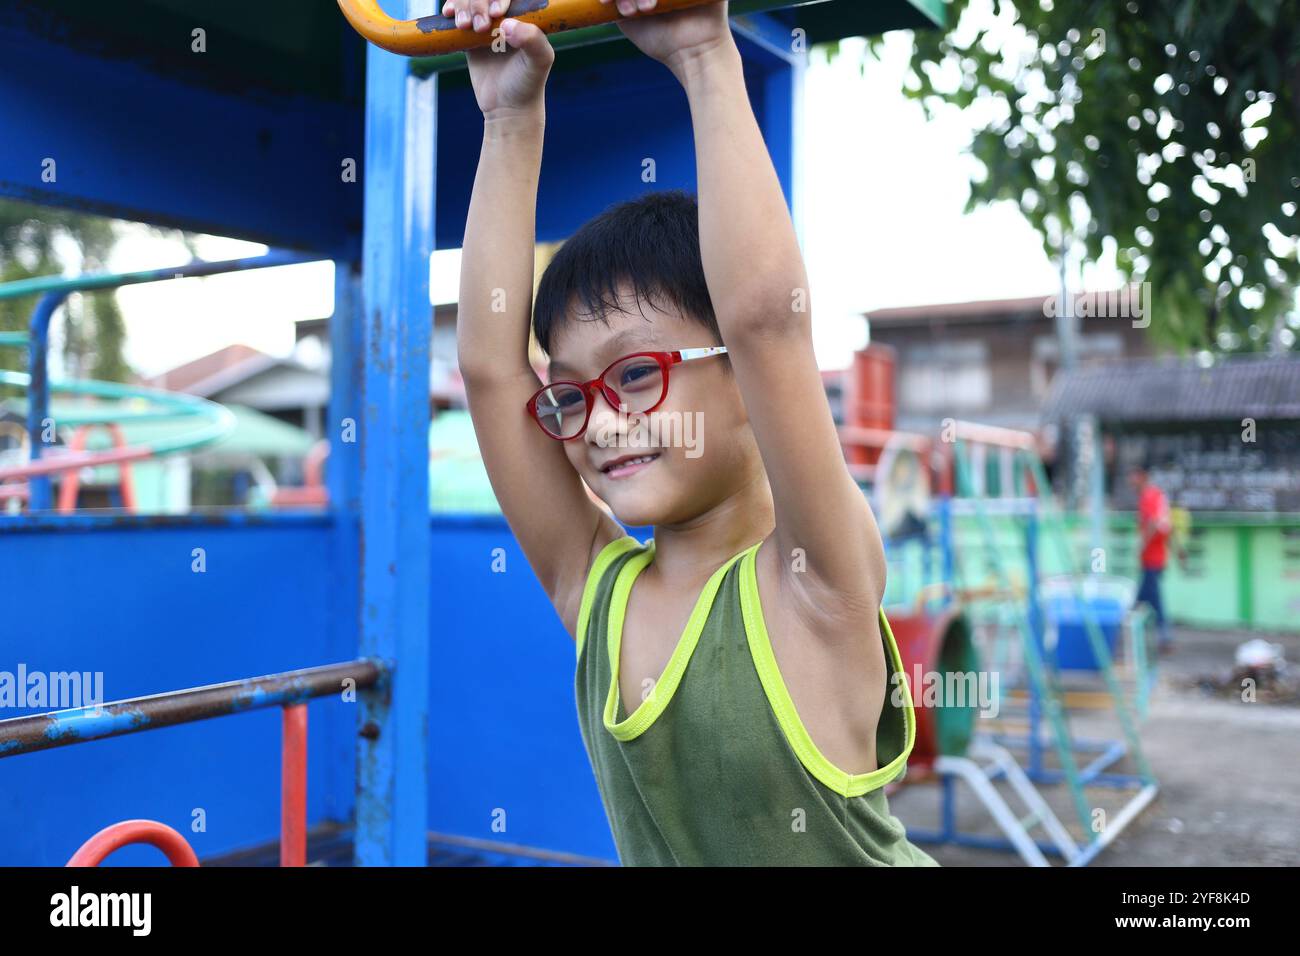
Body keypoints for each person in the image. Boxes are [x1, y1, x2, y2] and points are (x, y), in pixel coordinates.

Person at [449, 0, 936, 866]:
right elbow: (492, 373)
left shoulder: (815, 579)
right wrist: (508, 117)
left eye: (637, 373)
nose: (601, 418)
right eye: (574, 392)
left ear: (743, 378)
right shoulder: (598, 594)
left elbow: (766, 323)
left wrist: (704, 52)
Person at [1129, 461, 1173, 653]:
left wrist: (1142, 544)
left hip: (1153, 558)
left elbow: (1156, 523)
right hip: (1152, 558)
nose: (1130, 481)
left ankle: (1164, 638)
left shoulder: (1150, 496)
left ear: (1142, 476)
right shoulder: (1155, 496)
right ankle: (1138, 639)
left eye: (1133, 476)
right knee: (1143, 601)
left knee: (1151, 600)